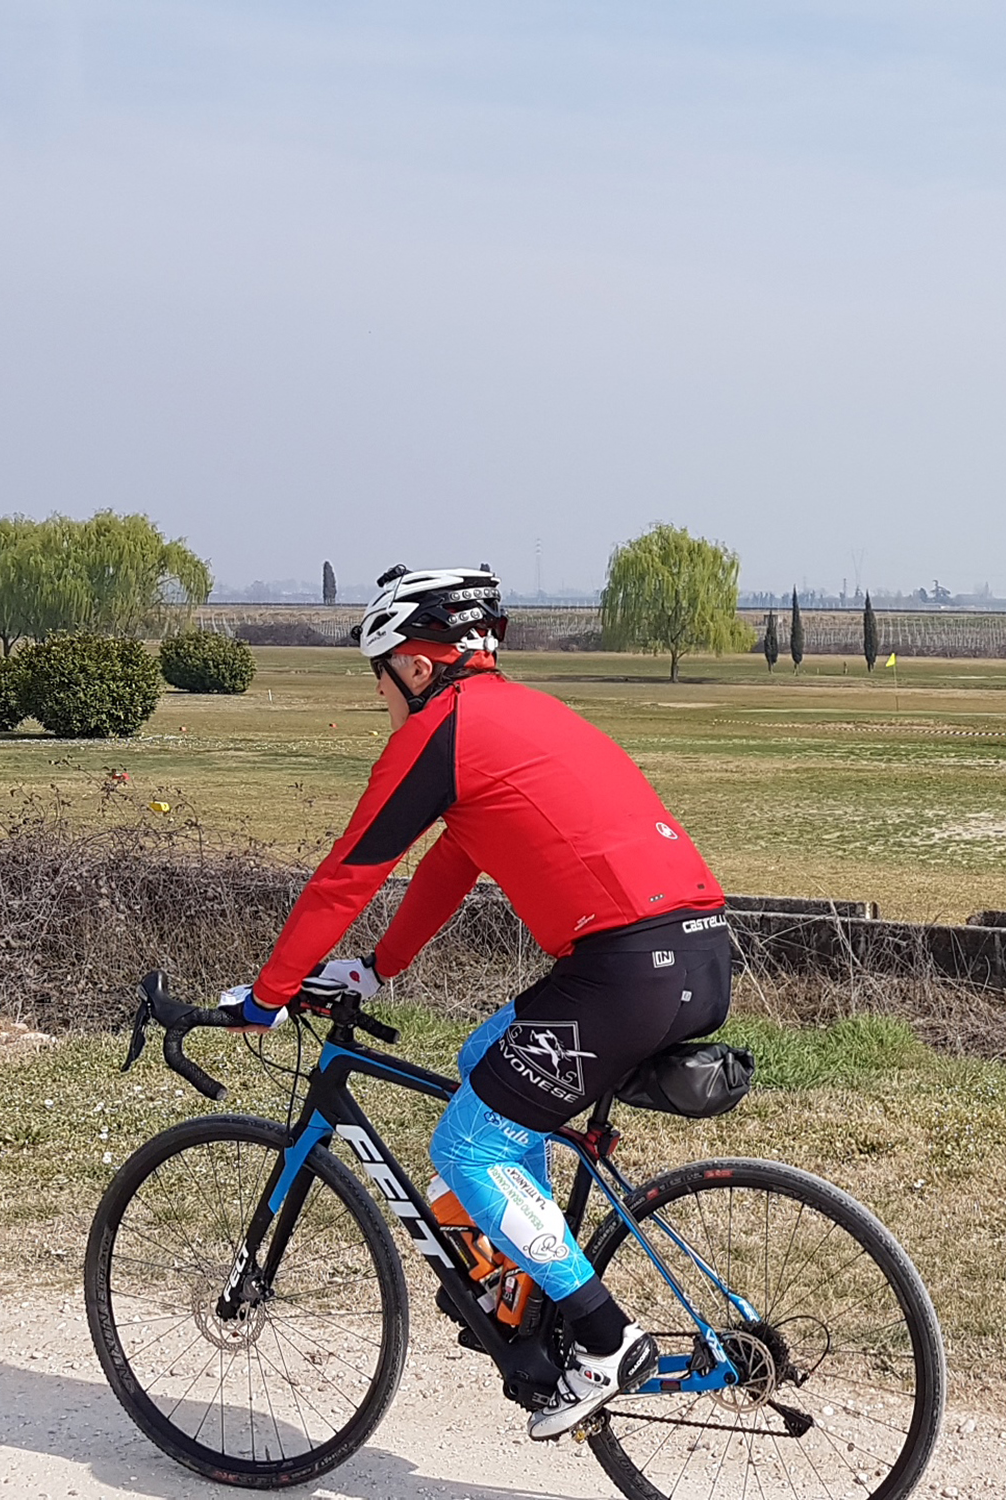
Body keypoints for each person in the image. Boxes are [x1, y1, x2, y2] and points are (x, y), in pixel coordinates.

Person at [220, 565, 728, 1441]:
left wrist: (267, 997)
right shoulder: (527, 716)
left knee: (465, 1142)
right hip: (700, 951)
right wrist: (377, 967)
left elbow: (350, 873)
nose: (380, 698)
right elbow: (454, 861)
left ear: (413, 666)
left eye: (377, 677)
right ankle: (522, 1281)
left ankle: (605, 1342)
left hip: (621, 972)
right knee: (479, 1065)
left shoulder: (444, 730)